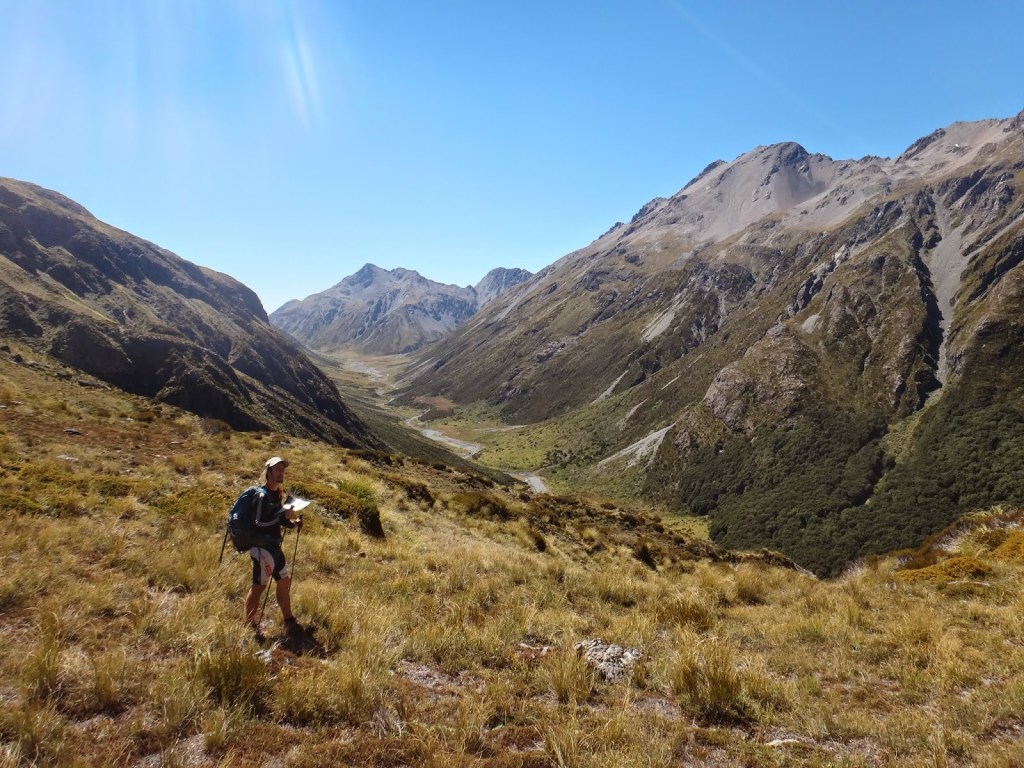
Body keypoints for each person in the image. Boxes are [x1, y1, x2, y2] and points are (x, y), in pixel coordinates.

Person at [244, 456, 303, 641]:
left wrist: (292, 523)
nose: (281, 472)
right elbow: (259, 523)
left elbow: (278, 519)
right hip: (262, 548)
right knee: (259, 587)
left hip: (273, 548)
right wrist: (281, 515)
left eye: (282, 470)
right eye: (277, 469)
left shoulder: (277, 493)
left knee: (284, 581)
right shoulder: (262, 495)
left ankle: (288, 618)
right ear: (268, 472)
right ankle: (249, 624)